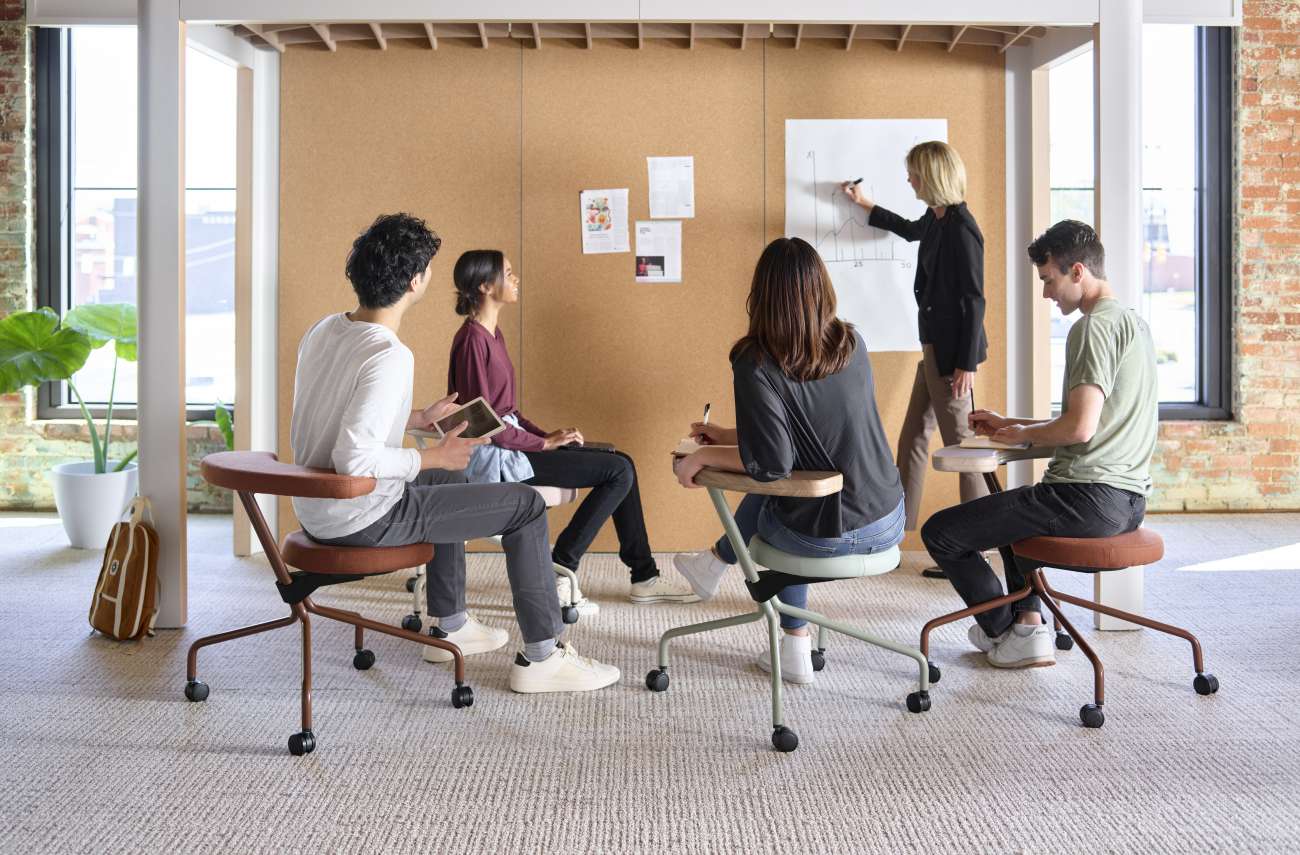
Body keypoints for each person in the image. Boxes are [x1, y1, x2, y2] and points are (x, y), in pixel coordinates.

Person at [289, 214, 618, 694]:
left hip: (317, 507)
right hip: (361, 515)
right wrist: (431, 457)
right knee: (525, 505)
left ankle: (450, 625)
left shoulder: (324, 331)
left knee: (452, 485)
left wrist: (418, 419)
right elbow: (355, 460)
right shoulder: (389, 355)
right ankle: (543, 657)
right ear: (415, 281)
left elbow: (333, 417)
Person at [920, 220, 1157, 669]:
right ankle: (1027, 622)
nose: (1047, 294)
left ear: (1078, 272)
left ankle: (1004, 629)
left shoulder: (1091, 329)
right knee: (1012, 512)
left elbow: (1079, 429)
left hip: (1086, 497)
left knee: (941, 533)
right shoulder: (1134, 325)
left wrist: (1024, 435)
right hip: (1128, 501)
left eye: (1049, 280)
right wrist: (1012, 425)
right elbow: (1095, 425)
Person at [671, 237, 907, 685]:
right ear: (823, 288)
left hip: (827, 536)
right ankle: (712, 563)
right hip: (889, 519)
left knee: (781, 499)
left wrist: (701, 455)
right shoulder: (851, 343)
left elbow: (772, 466)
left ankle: (793, 641)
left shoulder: (755, 360)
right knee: (795, 488)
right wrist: (728, 436)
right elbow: (812, 440)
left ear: (760, 294)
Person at [446, 249, 699, 611]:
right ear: (486, 286)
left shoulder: (493, 334)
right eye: (508, 273)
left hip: (513, 447)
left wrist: (549, 437)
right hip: (496, 458)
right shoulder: (473, 340)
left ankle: (643, 577)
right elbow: (485, 424)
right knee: (618, 471)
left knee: (621, 462)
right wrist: (542, 444)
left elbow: (509, 412)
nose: (516, 279)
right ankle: (564, 565)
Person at [842, 141, 989, 578]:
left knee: (964, 450)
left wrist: (966, 364)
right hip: (934, 349)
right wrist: (866, 205)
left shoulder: (962, 229)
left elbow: (974, 300)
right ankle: (894, 533)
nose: (909, 180)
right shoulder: (937, 219)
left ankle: (974, 551)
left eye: (914, 174)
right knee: (913, 441)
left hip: (953, 357)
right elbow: (909, 230)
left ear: (933, 176)